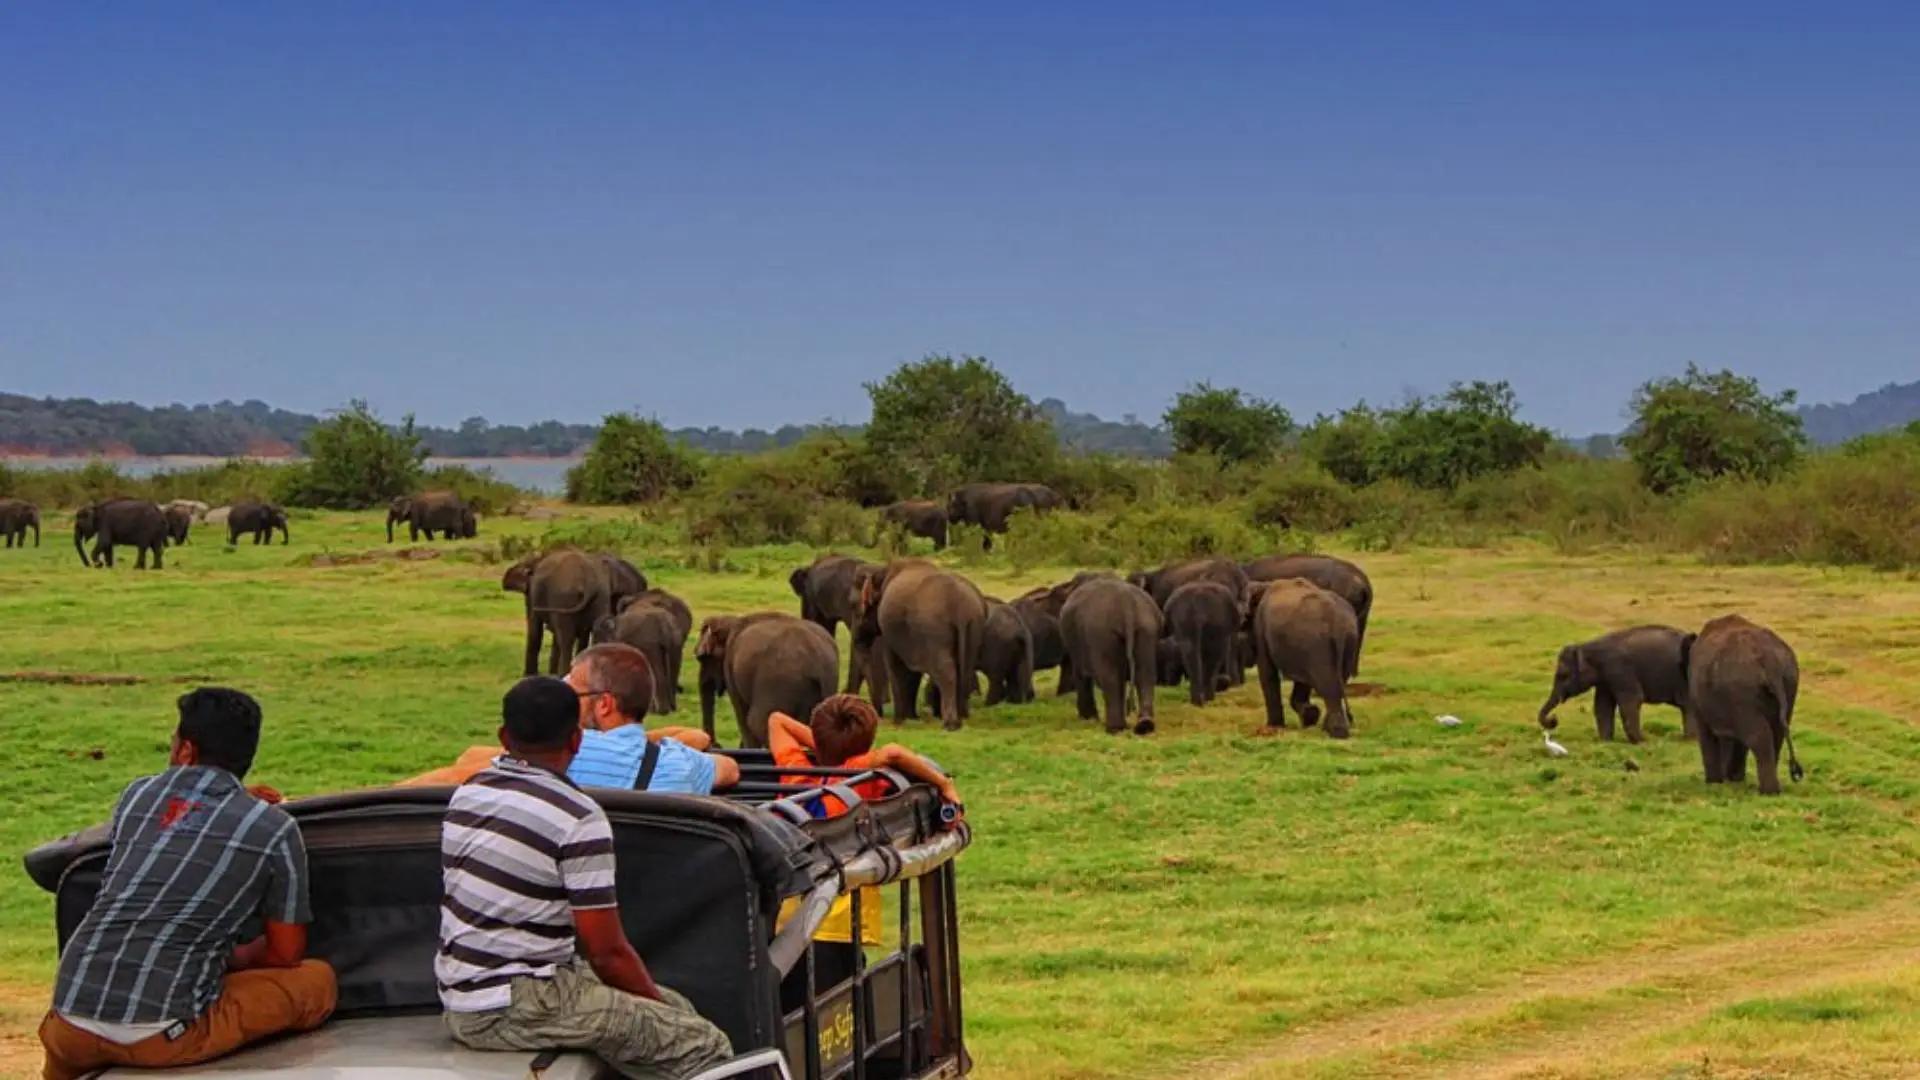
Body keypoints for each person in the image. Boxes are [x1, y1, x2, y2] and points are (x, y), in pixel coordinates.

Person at [437, 676, 731, 1079]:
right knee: (705, 1045)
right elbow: (606, 952)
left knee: (678, 1012)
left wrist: (661, 1012)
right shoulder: (578, 817)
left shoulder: (469, 793)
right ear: (577, 740)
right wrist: (656, 1011)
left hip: (465, 991)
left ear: (503, 737)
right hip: (516, 1002)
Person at [38, 688, 336, 1080]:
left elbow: (184, 816)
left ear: (185, 751)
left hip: (66, 1023)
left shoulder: (137, 795)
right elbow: (286, 953)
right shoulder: (273, 829)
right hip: (163, 1034)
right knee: (317, 981)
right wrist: (237, 959)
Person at [565, 643, 741, 794]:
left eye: (571, 694)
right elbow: (730, 770)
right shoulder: (680, 763)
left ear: (604, 704)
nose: (563, 701)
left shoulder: (564, 751)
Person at [770, 694, 963, 819]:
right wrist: (944, 784)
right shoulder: (857, 769)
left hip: (782, 828)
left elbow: (777, 720)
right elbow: (893, 753)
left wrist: (826, 744)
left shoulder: (797, 772)